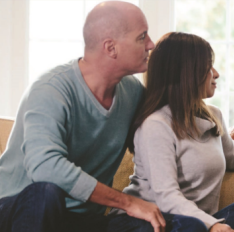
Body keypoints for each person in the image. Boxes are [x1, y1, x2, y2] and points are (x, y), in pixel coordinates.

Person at [108, 32, 234, 232]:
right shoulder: (156, 124)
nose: (216, 73)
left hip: (191, 222)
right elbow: (166, 197)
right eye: (208, 67)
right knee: (192, 225)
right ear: (185, 72)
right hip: (143, 221)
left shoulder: (213, 116)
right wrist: (212, 225)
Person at [0, 2, 169, 232]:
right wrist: (127, 202)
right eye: (142, 37)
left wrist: (220, 134)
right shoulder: (51, 89)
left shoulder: (133, 93)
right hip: (19, 209)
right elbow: (45, 168)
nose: (151, 44)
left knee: (154, 224)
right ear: (111, 48)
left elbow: (162, 132)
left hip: (80, 220)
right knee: (46, 193)